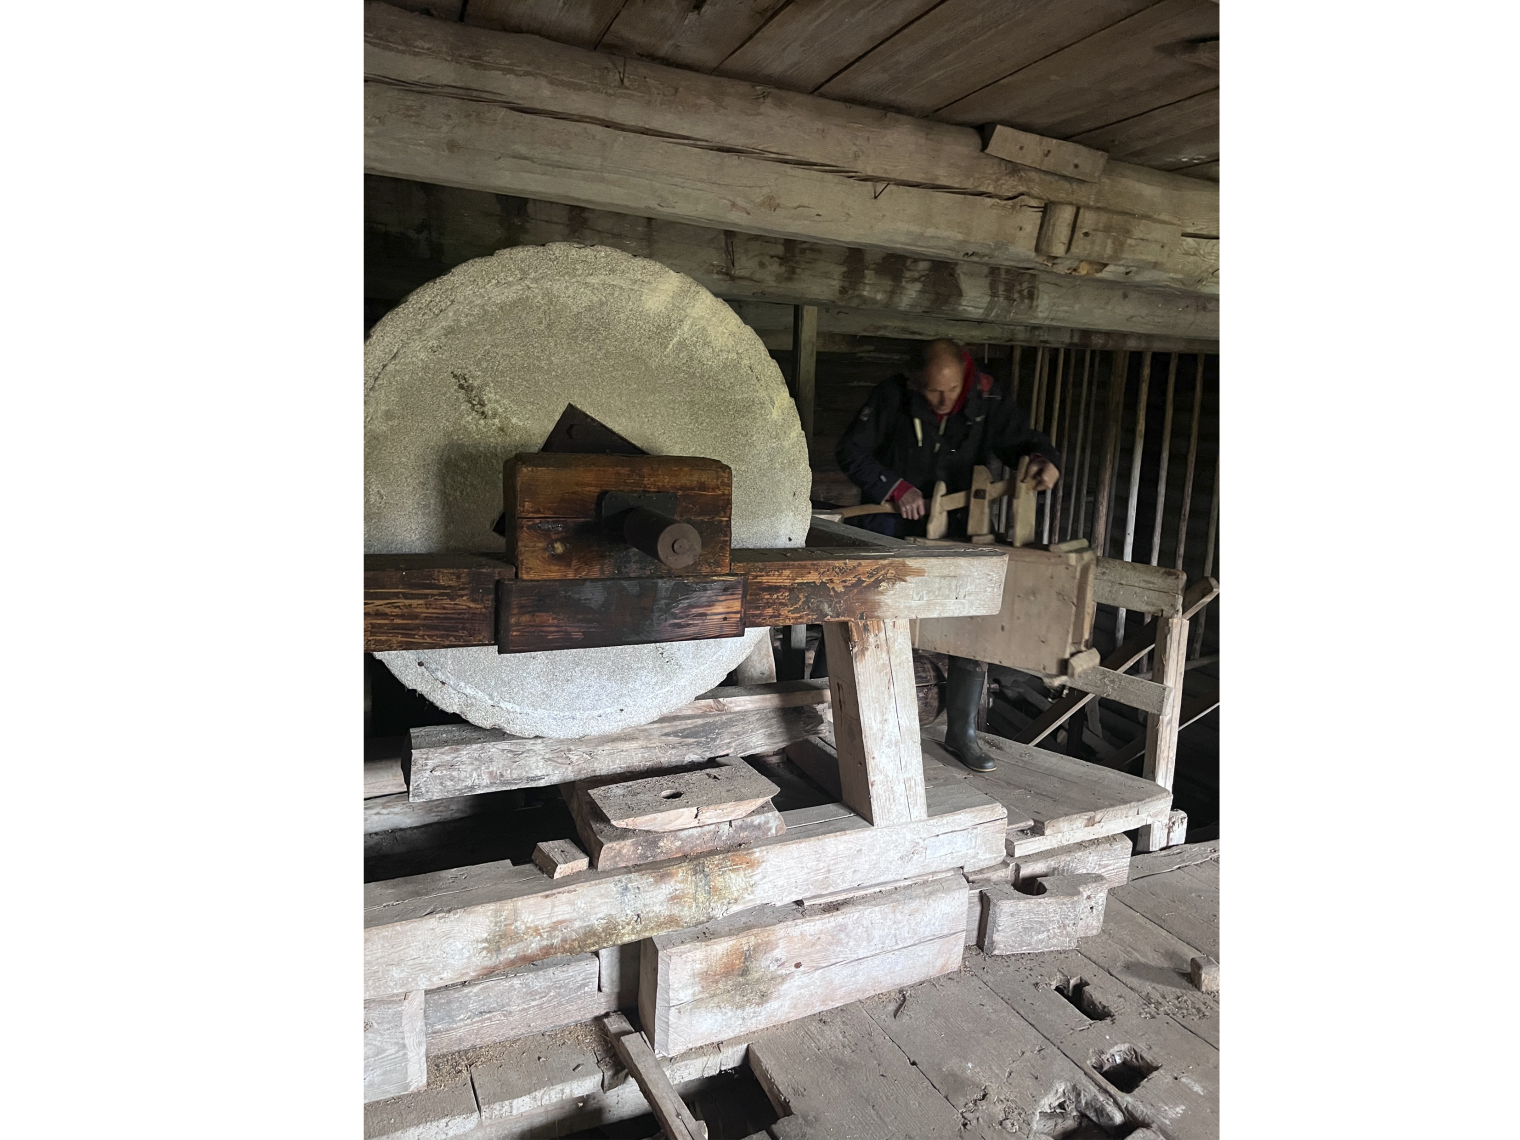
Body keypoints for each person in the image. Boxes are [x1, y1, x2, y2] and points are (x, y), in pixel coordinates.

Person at [834, 339, 1061, 773]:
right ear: (915, 381)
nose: (944, 400)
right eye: (933, 391)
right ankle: (856, 723)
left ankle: (962, 731)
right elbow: (850, 451)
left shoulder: (988, 397)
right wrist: (895, 487)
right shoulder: (892, 395)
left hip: (957, 526)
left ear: (966, 374)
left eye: (952, 389)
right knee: (871, 614)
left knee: (971, 620)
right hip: (892, 523)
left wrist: (1042, 458)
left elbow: (1020, 441)